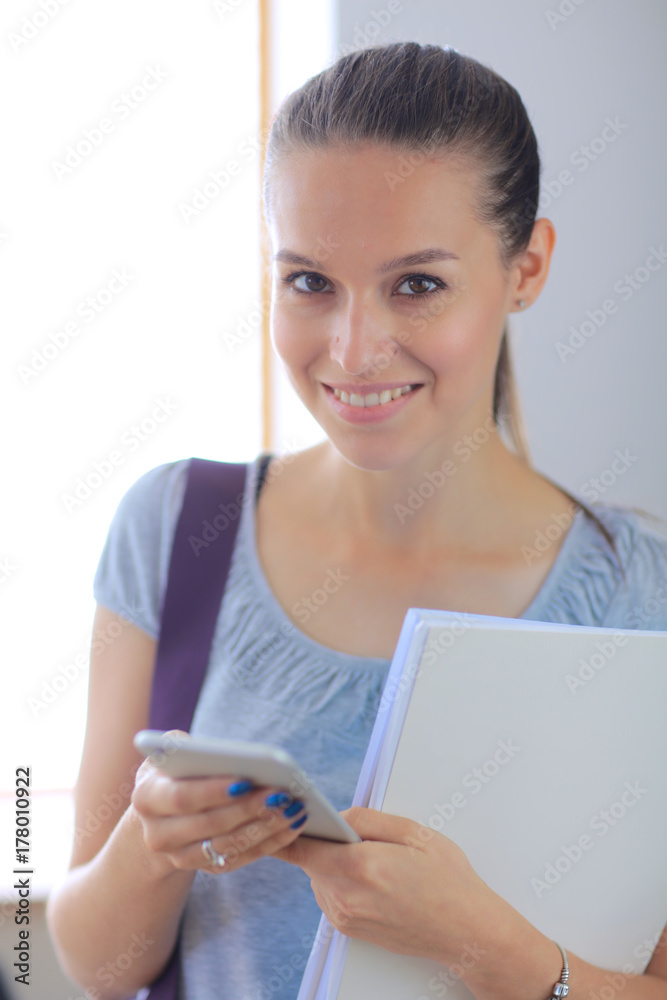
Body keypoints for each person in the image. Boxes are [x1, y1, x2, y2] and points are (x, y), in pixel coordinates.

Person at [47, 41, 667, 1000]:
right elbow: (93, 966)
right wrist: (153, 843)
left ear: (527, 266)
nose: (353, 349)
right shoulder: (172, 531)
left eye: (415, 284)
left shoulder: (645, 594)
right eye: (309, 282)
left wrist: (485, 947)